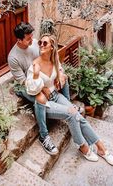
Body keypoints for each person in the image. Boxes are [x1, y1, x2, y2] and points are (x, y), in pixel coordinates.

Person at [26, 34, 113, 166]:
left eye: (44, 43)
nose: (41, 45)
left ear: (52, 47)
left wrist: (61, 75)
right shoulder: (35, 65)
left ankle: (101, 148)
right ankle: (82, 146)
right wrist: (35, 75)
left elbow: (61, 74)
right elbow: (31, 89)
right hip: (46, 103)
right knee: (73, 113)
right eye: (40, 42)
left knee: (79, 117)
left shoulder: (54, 61)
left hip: (57, 96)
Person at [8, 22, 70, 155]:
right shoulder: (13, 57)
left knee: (64, 77)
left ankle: (69, 108)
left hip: (40, 78)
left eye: (32, 37)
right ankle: (44, 136)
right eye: (28, 39)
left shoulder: (36, 43)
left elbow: (52, 59)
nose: (33, 40)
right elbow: (24, 82)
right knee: (40, 97)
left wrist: (60, 72)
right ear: (19, 40)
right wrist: (43, 88)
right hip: (25, 85)